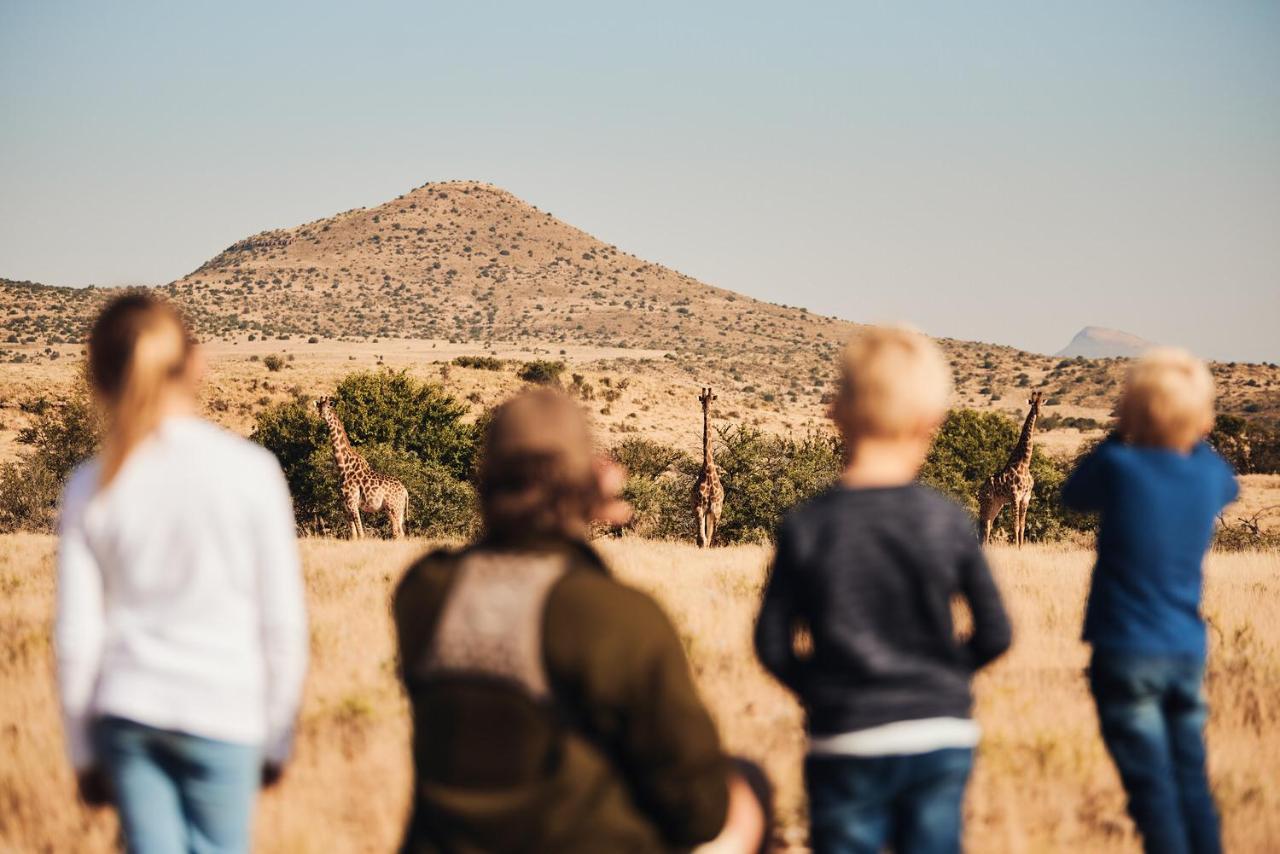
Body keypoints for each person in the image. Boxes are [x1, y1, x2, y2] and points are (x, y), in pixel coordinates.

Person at [392, 388, 768, 853]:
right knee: (750, 787)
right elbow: (701, 809)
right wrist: (581, 532)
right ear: (587, 483)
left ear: (485, 479)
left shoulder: (423, 593)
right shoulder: (618, 615)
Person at [55, 293, 309, 854]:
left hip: (130, 711)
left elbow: (75, 638)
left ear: (98, 377)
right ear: (196, 364)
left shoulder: (90, 483)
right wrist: (276, 737)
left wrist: (82, 752)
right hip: (226, 710)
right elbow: (283, 625)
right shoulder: (253, 472)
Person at [755, 326, 1012, 854]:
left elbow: (771, 644)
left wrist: (824, 688)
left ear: (837, 414)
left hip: (846, 735)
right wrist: (940, 677)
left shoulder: (809, 524)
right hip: (940, 735)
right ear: (931, 422)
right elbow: (996, 633)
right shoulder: (946, 520)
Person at [1062, 348, 1236, 854]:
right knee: (1191, 781)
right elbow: (1225, 477)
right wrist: (1196, 433)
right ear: (1204, 420)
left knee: (1153, 792)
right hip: (1185, 651)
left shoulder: (1117, 465)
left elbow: (1073, 494)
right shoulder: (1208, 476)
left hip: (1124, 649)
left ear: (1131, 413)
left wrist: (1120, 434)